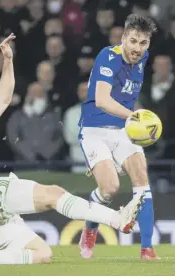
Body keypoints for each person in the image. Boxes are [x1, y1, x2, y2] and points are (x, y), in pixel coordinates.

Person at [0, 34, 143, 266]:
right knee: (53, 194)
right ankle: (116, 218)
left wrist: (8, 61)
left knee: (42, 254)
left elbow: (2, 99)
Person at [78, 14, 159, 260]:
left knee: (141, 180)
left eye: (143, 43)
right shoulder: (108, 57)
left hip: (124, 130)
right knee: (110, 189)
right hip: (94, 130)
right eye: (132, 41)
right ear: (123, 38)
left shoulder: (143, 58)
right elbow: (102, 100)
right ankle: (90, 227)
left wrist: (132, 123)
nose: (137, 48)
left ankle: (147, 249)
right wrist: (134, 117)